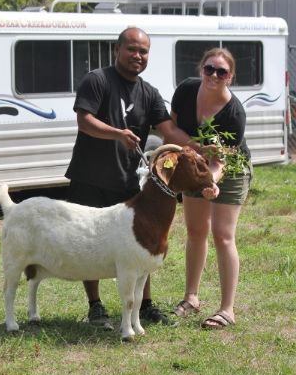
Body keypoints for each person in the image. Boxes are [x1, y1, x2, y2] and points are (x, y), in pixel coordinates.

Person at [65, 27, 191, 330]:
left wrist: (198, 148)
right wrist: (116, 133)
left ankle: (145, 305)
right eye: (132, 49)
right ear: (116, 50)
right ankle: (95, 306)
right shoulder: (97, 80)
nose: (138, 56)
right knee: (89, 241)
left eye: (143, 51)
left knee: (142, 243)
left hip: (129, 182)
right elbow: (85, 121)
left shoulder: (148, 92)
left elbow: (168, 130)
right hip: (90, 177)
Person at [168, 47, 252, 328]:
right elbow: (174, 129)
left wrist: (211, 183)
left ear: (230, 77)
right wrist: (189, 157)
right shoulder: (186, 91)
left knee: (222, 235)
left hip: (228, 169)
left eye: (221, 72)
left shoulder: (234, 113)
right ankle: (191, 297)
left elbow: (223, 162)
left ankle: (227, 310)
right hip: (195, 163)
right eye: (209, 69)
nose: (214, 75)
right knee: (195, 230)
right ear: (201, 69)